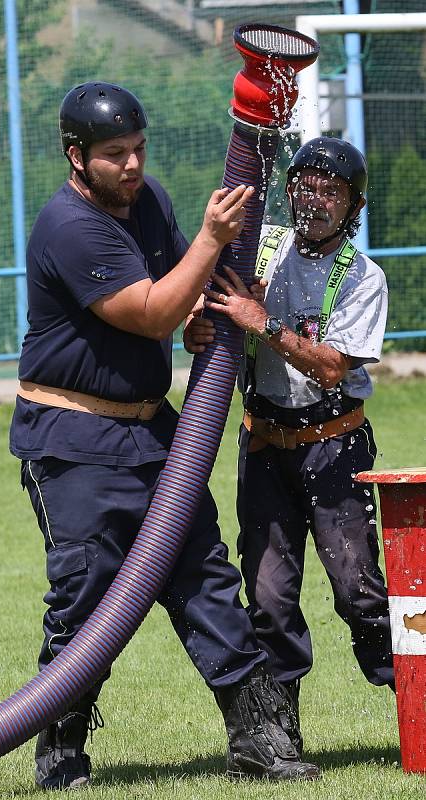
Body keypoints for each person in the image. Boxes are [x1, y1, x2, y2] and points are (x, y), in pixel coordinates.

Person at [9, 82, 321, 790]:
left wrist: (200, 306)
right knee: (87, 594)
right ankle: (59, 751)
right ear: (76, 156)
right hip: (72, 440)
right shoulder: (68, 225)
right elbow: (149, 311)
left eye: (139, 149)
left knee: (205, 575)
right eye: (115, 154)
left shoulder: (144, 202)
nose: (132, 165)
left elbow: (187, 280)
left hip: (151, 432)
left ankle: (256, 740)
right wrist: (205, 251)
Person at [184, 136, 395, 746]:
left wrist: (262, 322)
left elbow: (332, 369)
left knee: (359, 594)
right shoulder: (264, 247)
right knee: (270, 600)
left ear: (353, 205)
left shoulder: (362, 276)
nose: (316, 199)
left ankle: (414, 705)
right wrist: (201, 326)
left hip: (335, 449)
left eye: (332, 191)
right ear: (289, 189)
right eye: (306, 185)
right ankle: (280, 740)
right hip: (264, 448)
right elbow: (211, 306)